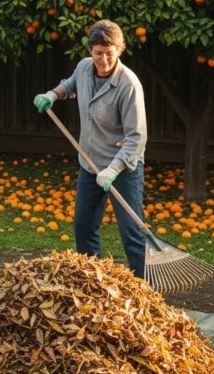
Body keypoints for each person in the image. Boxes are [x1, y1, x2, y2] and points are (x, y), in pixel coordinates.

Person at [33, 19, 147, 278]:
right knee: (83, 226)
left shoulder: (129, 85)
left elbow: (136, 138)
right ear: (90, 51)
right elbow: (72, 84)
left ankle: (144, 291)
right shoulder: (84, 68)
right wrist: (53, 94)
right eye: (98, 53)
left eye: (110, 53)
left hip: (123, 168)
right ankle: (91, 282)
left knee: (131, 231)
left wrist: (113, 170)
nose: (104, 59)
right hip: (89, 163)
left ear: (119, 50)